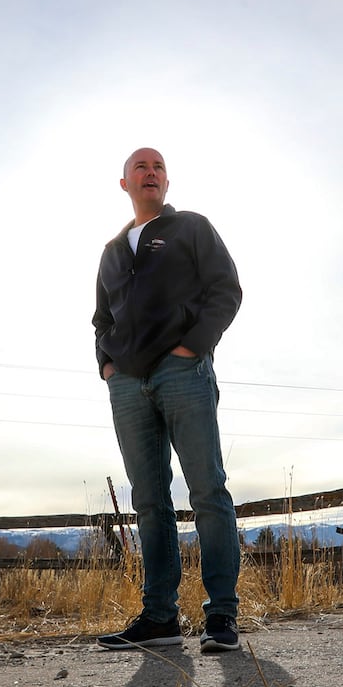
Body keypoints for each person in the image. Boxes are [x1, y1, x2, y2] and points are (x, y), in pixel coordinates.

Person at [93, 146, 244, 653]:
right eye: (141, 166)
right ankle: (159, 618)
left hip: (183, 372)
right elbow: (101, 320)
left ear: (166, 182)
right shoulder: (112, 251)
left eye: (158, 166)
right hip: (128, 385)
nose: (150, 172)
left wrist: (190, 348)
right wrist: (108, 365)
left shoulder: (191, 228)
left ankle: (221, 616)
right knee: (149, 502)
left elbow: (226, 290)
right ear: (125, 183)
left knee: (207, 490)